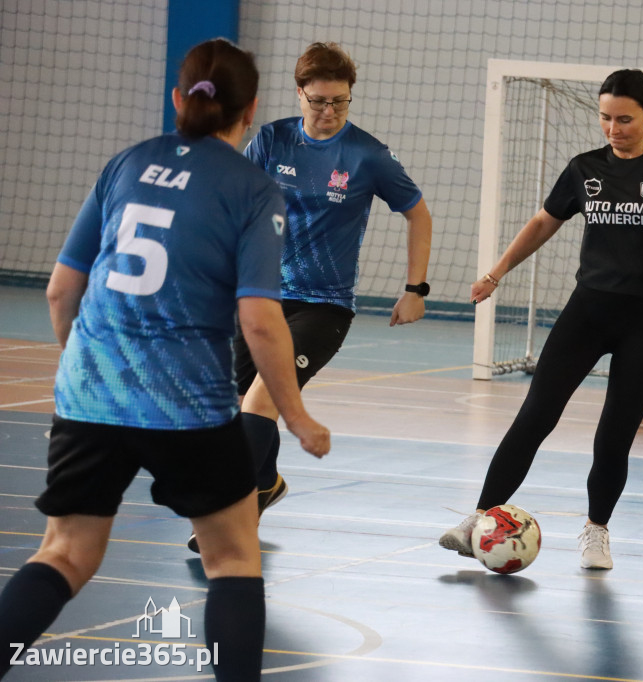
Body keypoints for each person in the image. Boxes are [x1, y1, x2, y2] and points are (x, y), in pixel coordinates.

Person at [0, 39, 331, 681]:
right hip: (187, 404)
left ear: (178, 99)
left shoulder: (125, 165)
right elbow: (260, 320)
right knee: (233, 559)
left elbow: (60, 290)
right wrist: (296, 416)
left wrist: (82, 374)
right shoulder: (253, 190)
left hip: (90, 396)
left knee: (65, 553)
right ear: (251, 109)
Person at [439, 69, 643, 570]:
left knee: (615, 432)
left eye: (625, 118)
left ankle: (596, 531)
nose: (614, 128)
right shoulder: (584, 168)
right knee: (535, 415)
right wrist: (495, 272)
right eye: (605, 118)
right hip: (589, 310)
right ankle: (478, 516)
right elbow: (542, 222)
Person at [186, 41, 432, 553]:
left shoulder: (368, 155)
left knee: (262, 398)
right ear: (299, 94)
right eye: (318, 101)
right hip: (258, 299)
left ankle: (226, 513)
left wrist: (415, 289)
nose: (328, 112)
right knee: (234, 408)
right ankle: (266, 483)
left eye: (340, 102)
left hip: (323, 308)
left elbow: (418, 213)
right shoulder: (273, 140)